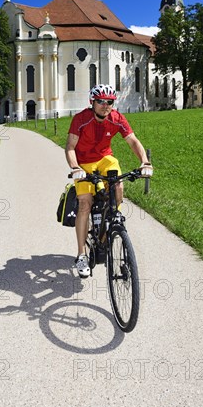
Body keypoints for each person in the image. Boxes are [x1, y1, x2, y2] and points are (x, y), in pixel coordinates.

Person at [65, 84, 153, 278]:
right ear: (92, 102)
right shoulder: (81, 119)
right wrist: (75, 168)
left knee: (117, 184)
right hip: (84, 163)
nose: (105, 106)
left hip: (105, 158)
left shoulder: (117, 118)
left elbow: (132, 141)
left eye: (110, 102)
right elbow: (70, 146)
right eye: (101, 102)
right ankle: (81, 254)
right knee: (84, 204)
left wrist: (144, 162)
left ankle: (113, 217)